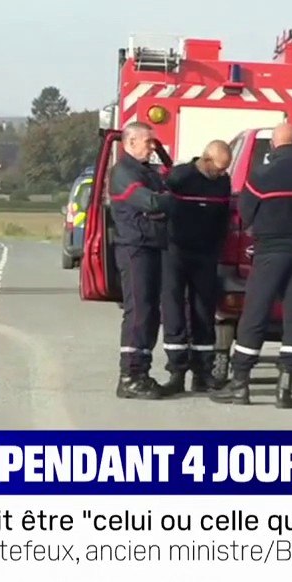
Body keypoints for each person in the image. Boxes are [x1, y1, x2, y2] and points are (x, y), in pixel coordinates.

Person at [211, 123, 292, 408]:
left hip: (270, 252)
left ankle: (240, 387)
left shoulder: (261, 175)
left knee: (255, 314)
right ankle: (285, 390)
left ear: (273, 146)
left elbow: (245, 214)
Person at [109, 121, 176, 399]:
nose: (153, 147)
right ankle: (130, 375)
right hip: (134, 247)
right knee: (138, 311)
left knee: (149, 312)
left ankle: (142, 372)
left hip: (150, 244)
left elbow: (161, 198)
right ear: (130, 142)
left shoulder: (145, 171)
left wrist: (163, 201)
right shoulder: (123, 172)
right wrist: (164, 202)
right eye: (148, 142)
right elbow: (150, 202)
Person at [160, 140, 233, 394]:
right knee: (174, 309)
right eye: (219, 168)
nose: (222, 174)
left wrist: (218, 247)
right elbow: (161, 207)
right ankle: (176, 372)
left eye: (226, 169)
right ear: (206, 159)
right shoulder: (180, 177)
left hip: (206, 254)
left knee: (204, 311)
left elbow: (224, 217)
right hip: (176, 251)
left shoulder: (223, 182)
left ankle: (203, 372)